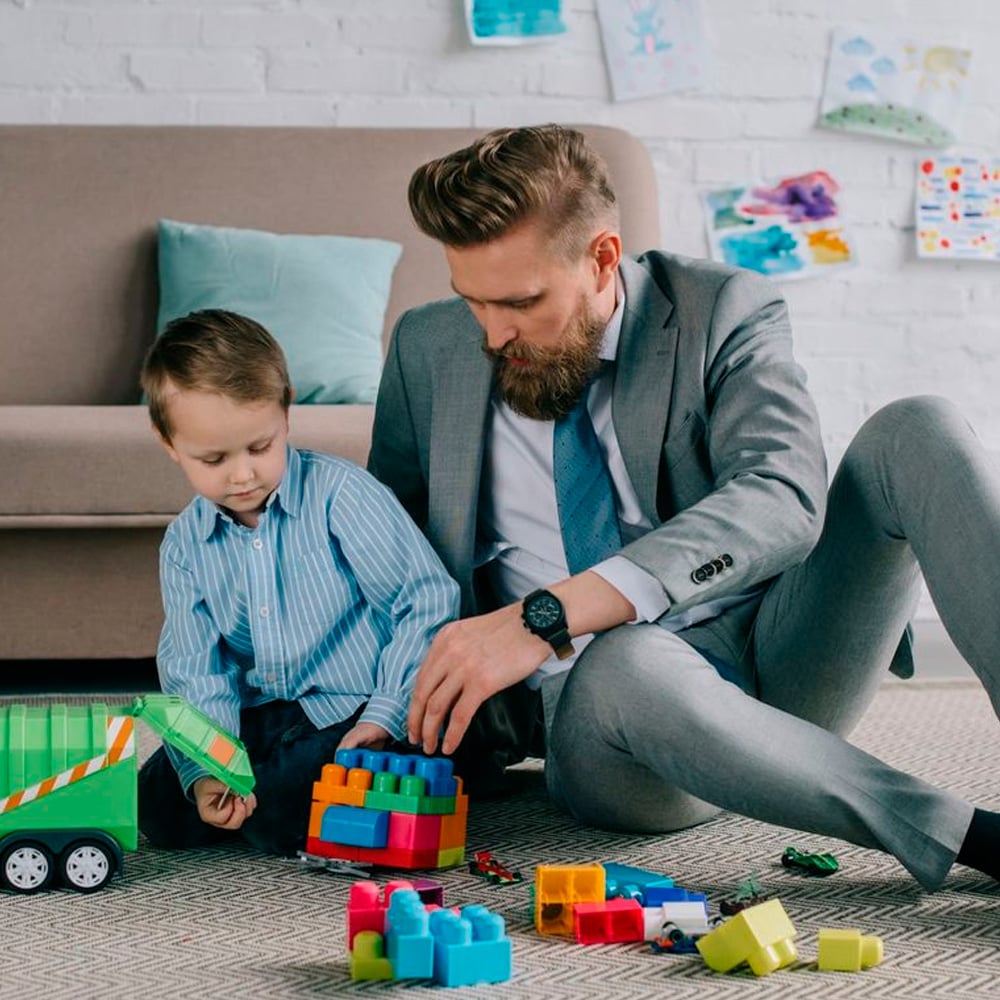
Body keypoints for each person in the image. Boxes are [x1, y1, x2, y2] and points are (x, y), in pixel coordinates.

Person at [368, 123, 1000, 891]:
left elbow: (784, 493)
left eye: (523, 302)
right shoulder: (425, 348)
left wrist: (544, 616)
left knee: (919, 429)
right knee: (627, 655)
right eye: (473, 301)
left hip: (776, 657)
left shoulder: (722, 308)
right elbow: (386, 550)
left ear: (603, 257)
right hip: (607, 720)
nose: (493, 334)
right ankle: (972, 838)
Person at [137, 309, 459, 856]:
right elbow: (196, 669)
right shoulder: (185, 545)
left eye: (259, 448)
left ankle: (286, 803)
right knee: (157, 804)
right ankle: (253, 801)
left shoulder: (344, 497)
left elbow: (424, 601)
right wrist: (213, 767)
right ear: (169, 444)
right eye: (213, 459)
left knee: (285, 806)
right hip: (262, 716)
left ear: (286, 416)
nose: (242, 475)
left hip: (353, 707)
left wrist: (386, 711)